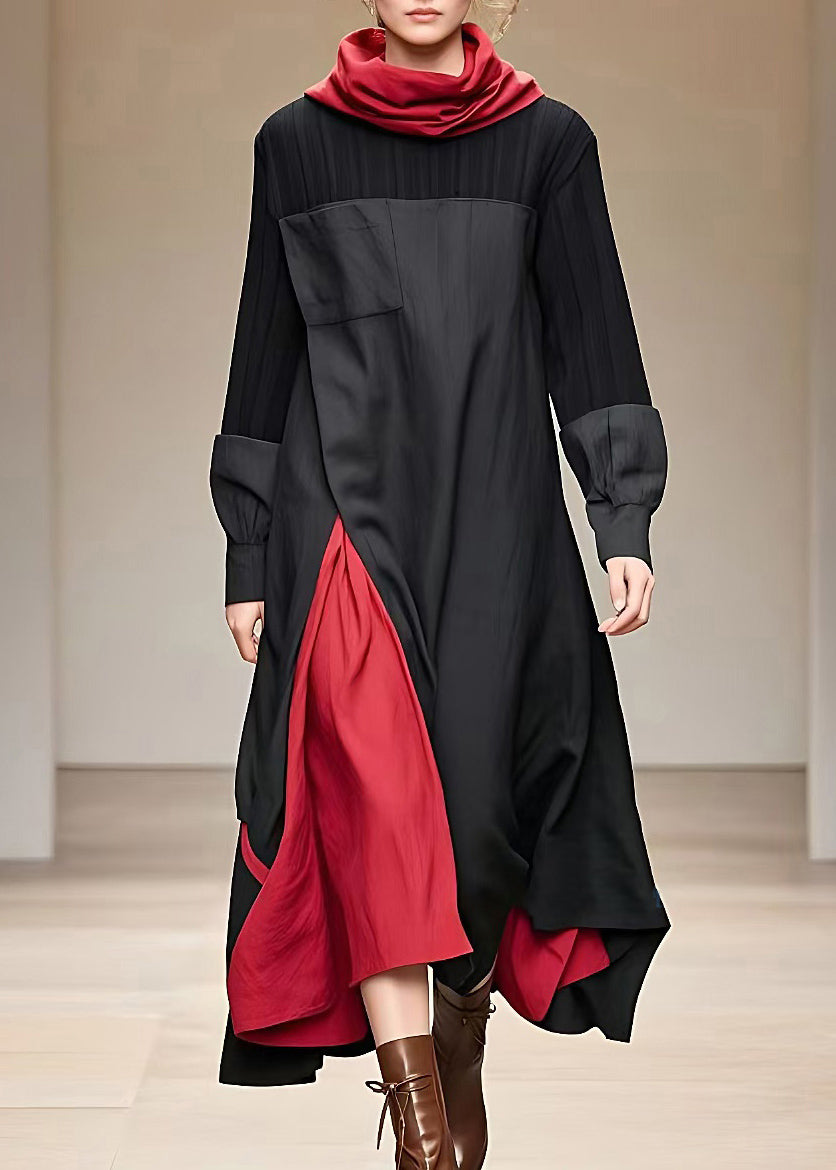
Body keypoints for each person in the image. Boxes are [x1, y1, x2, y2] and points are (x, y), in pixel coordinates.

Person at [209, 2, 671, 1166]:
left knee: (471, 828)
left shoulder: (546, 142)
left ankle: (457, 1027)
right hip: (335, 518)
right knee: (373, 809)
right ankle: (421, 1132)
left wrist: (619, 513)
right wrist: (248, 547)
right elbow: (264, 344)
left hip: (493, 511)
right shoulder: (295, 143)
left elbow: (590, 332)